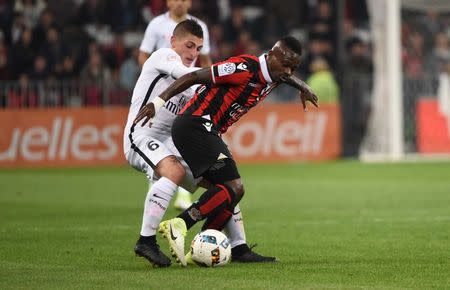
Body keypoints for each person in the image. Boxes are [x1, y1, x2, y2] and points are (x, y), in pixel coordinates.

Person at [134, 36, 318, 266]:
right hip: (195, 124)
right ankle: (179, 224)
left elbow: (284, 74)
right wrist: (158, 102)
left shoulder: (277, 74)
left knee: (229, 191)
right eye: (286, 64)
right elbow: (194, 76)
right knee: (234, 186)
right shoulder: (243, 67)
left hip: (208, 130)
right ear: (272, 54)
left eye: (295, 68)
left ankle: (218, 247)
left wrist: (303, 86)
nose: (289, 71)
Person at [125, 19, 275, 268]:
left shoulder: (192, 85)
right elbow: (191, 76)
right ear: (173, 41)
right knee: (173, 171)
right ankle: (146, 241)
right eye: (189, 46)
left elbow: (201, 88)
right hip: (141, 135)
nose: (193, 53)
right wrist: (223, 73)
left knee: (225, 185)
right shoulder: (163, 57)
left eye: (198, 48)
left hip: (171, 143)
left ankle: (239, 247)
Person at [138, 0, 212, 210]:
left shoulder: (200, 26)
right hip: (162, 90)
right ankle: (159, 189)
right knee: (158, 139)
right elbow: (143, 54)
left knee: (183, 140)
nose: (179, 2)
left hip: (188, 86)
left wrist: (207, 85)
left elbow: (205, 61)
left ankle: (182, 195)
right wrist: (152, 78)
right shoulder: (156, 25)